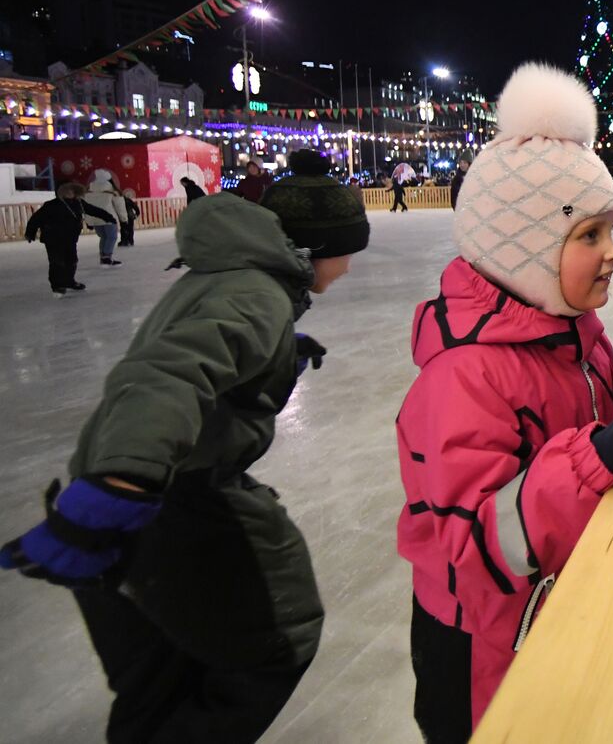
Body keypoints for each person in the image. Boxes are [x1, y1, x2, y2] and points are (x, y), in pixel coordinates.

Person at [396, 63, 613, 742]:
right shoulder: (461, 378)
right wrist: (606, 454)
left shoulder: (564, 326)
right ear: (521, 248)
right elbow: (477, 537)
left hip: (548, 611)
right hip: (485, 648)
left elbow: (585, 401)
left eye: (611, 229)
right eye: (589, 235)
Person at [1, 148, 370, 743]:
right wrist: (122, 482)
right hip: (159, 492)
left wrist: (272, 356)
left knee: (158, 673)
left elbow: (197, 346)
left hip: (134, 485)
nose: (349, 268)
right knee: (274, 642)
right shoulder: (257, 295)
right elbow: (168, 374)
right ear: (314, 249)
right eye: (347, 252)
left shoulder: (231, 276)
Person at [24, 182, 117, 297]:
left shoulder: (79, 203)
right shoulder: (51, 205)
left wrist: (108, 217)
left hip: (70, 238)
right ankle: (57, 286)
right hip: (53, 239)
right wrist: (30, 233)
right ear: (62, 193)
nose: (70, 193)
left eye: (72, 191)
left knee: (72, 260)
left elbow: (93, 210)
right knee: (57, 262)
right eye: (67, 191)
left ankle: (69, 281)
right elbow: (36, 219)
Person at [85, 168, 125, 267]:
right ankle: (107, 257)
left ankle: (103, 257)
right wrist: (124, 219)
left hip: (95, 219)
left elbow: (85, 206)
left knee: (104, 237)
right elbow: (119, 205)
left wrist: (88, 220)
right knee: (111, 237)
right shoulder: (111, 191)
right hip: (109, 217)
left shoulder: (88, 191)